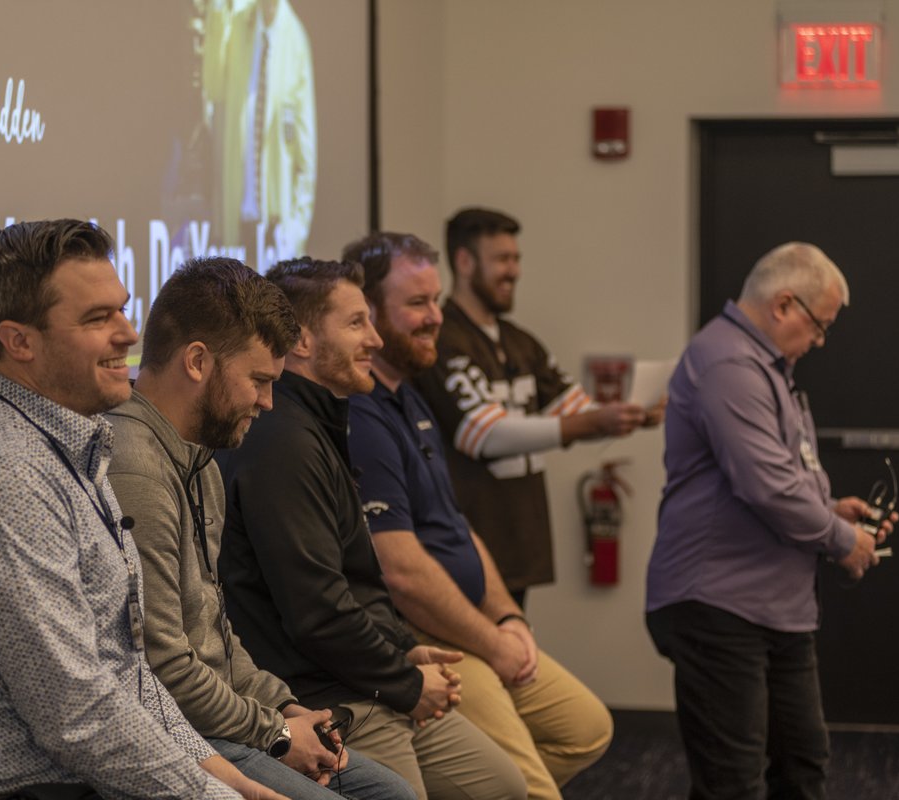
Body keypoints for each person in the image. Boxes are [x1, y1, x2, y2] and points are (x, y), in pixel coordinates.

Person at [0, 220, 273, 800]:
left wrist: (231, 782)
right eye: (97, 319)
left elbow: (128, 675)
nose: (129, 333)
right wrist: (215, 797)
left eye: (122, 310)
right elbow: (76, 711)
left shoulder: (70, 448)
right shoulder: (4, 475)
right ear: (19, 341)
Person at [216, 257, 527, 800]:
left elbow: (357, 580)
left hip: (370, 677)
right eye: (357, 323)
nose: (376, 340)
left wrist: (405, 651)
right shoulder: (285, 442)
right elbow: (318, 612)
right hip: (330, 694)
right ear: (303, 340)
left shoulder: (321, 423)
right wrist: (405, 682)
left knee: (503, 786)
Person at [106, 257, 415, 800]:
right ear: (197, 362)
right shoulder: (135, 467)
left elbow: (217, 636)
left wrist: (286, 708)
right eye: (259, 381)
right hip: (182, 734)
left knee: (391, 793)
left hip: (226, 721)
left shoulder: (199, 460)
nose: (268, 402)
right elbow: (163, 666)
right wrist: (275, 732)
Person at [342, 233, 614, 800]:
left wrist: (509, 617)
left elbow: (456, 526)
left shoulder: (411, 398)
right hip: (430, 635)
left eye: (435, 299)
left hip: (477, 623)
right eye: (416, 303)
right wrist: (491, 643)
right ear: (368, 314)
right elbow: (400, 571)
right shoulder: (360, 415)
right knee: (525, 789)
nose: (436, 317)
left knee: (587, 729)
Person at [645, 242, 896, 799]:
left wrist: (831, 510)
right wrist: (841, 540)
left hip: (775, 607)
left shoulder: (766, 366)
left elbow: (779, 474)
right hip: (720, 604)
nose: (820, 341)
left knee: (802, 766)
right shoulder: (728, 363)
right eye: (820, 326)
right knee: (732, 783)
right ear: (784, 304)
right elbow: (769, 487)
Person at [413, 208, 663, 606]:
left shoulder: (520, 341)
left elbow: (576, 409)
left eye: (516, 259)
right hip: (463, 549)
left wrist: (635, 415)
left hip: (517, 547)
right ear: (464, 262)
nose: (514, 271)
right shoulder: (444, 342)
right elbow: (483, 433)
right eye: (502, 259)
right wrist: (590, 424)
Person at [202, 0, 316, 262]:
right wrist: (218, 7)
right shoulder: (238, 22)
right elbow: (214, 85)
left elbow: (305, 149)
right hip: (236, 224)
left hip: (275, 231)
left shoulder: (295, 39)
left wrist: (295, 232)